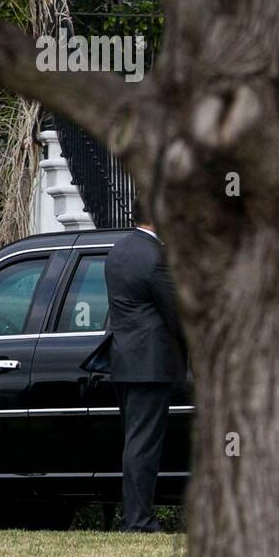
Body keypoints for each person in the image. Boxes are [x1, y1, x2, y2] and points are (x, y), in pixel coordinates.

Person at [102, 204, 186, 532]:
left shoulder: (118, 251)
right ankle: (138, 520)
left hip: (125, 360)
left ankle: (134, 516)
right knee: (143, 445)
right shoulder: (155, 257)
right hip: (151, 364)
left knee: (135, 441)